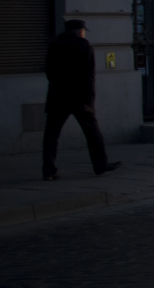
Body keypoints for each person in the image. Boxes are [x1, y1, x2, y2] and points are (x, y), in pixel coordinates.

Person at [43, 20, 120, 180]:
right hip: (79, 97)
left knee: (51, 135)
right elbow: (89, 76)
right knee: (92, 132)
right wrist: (89, 99)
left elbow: (49, 71)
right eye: (83, 30)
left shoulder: (55, 45)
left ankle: (49, 170)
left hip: (58, 96)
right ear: (80, 31)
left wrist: (58, 85)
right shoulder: (84, 46)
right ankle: (100, 165)